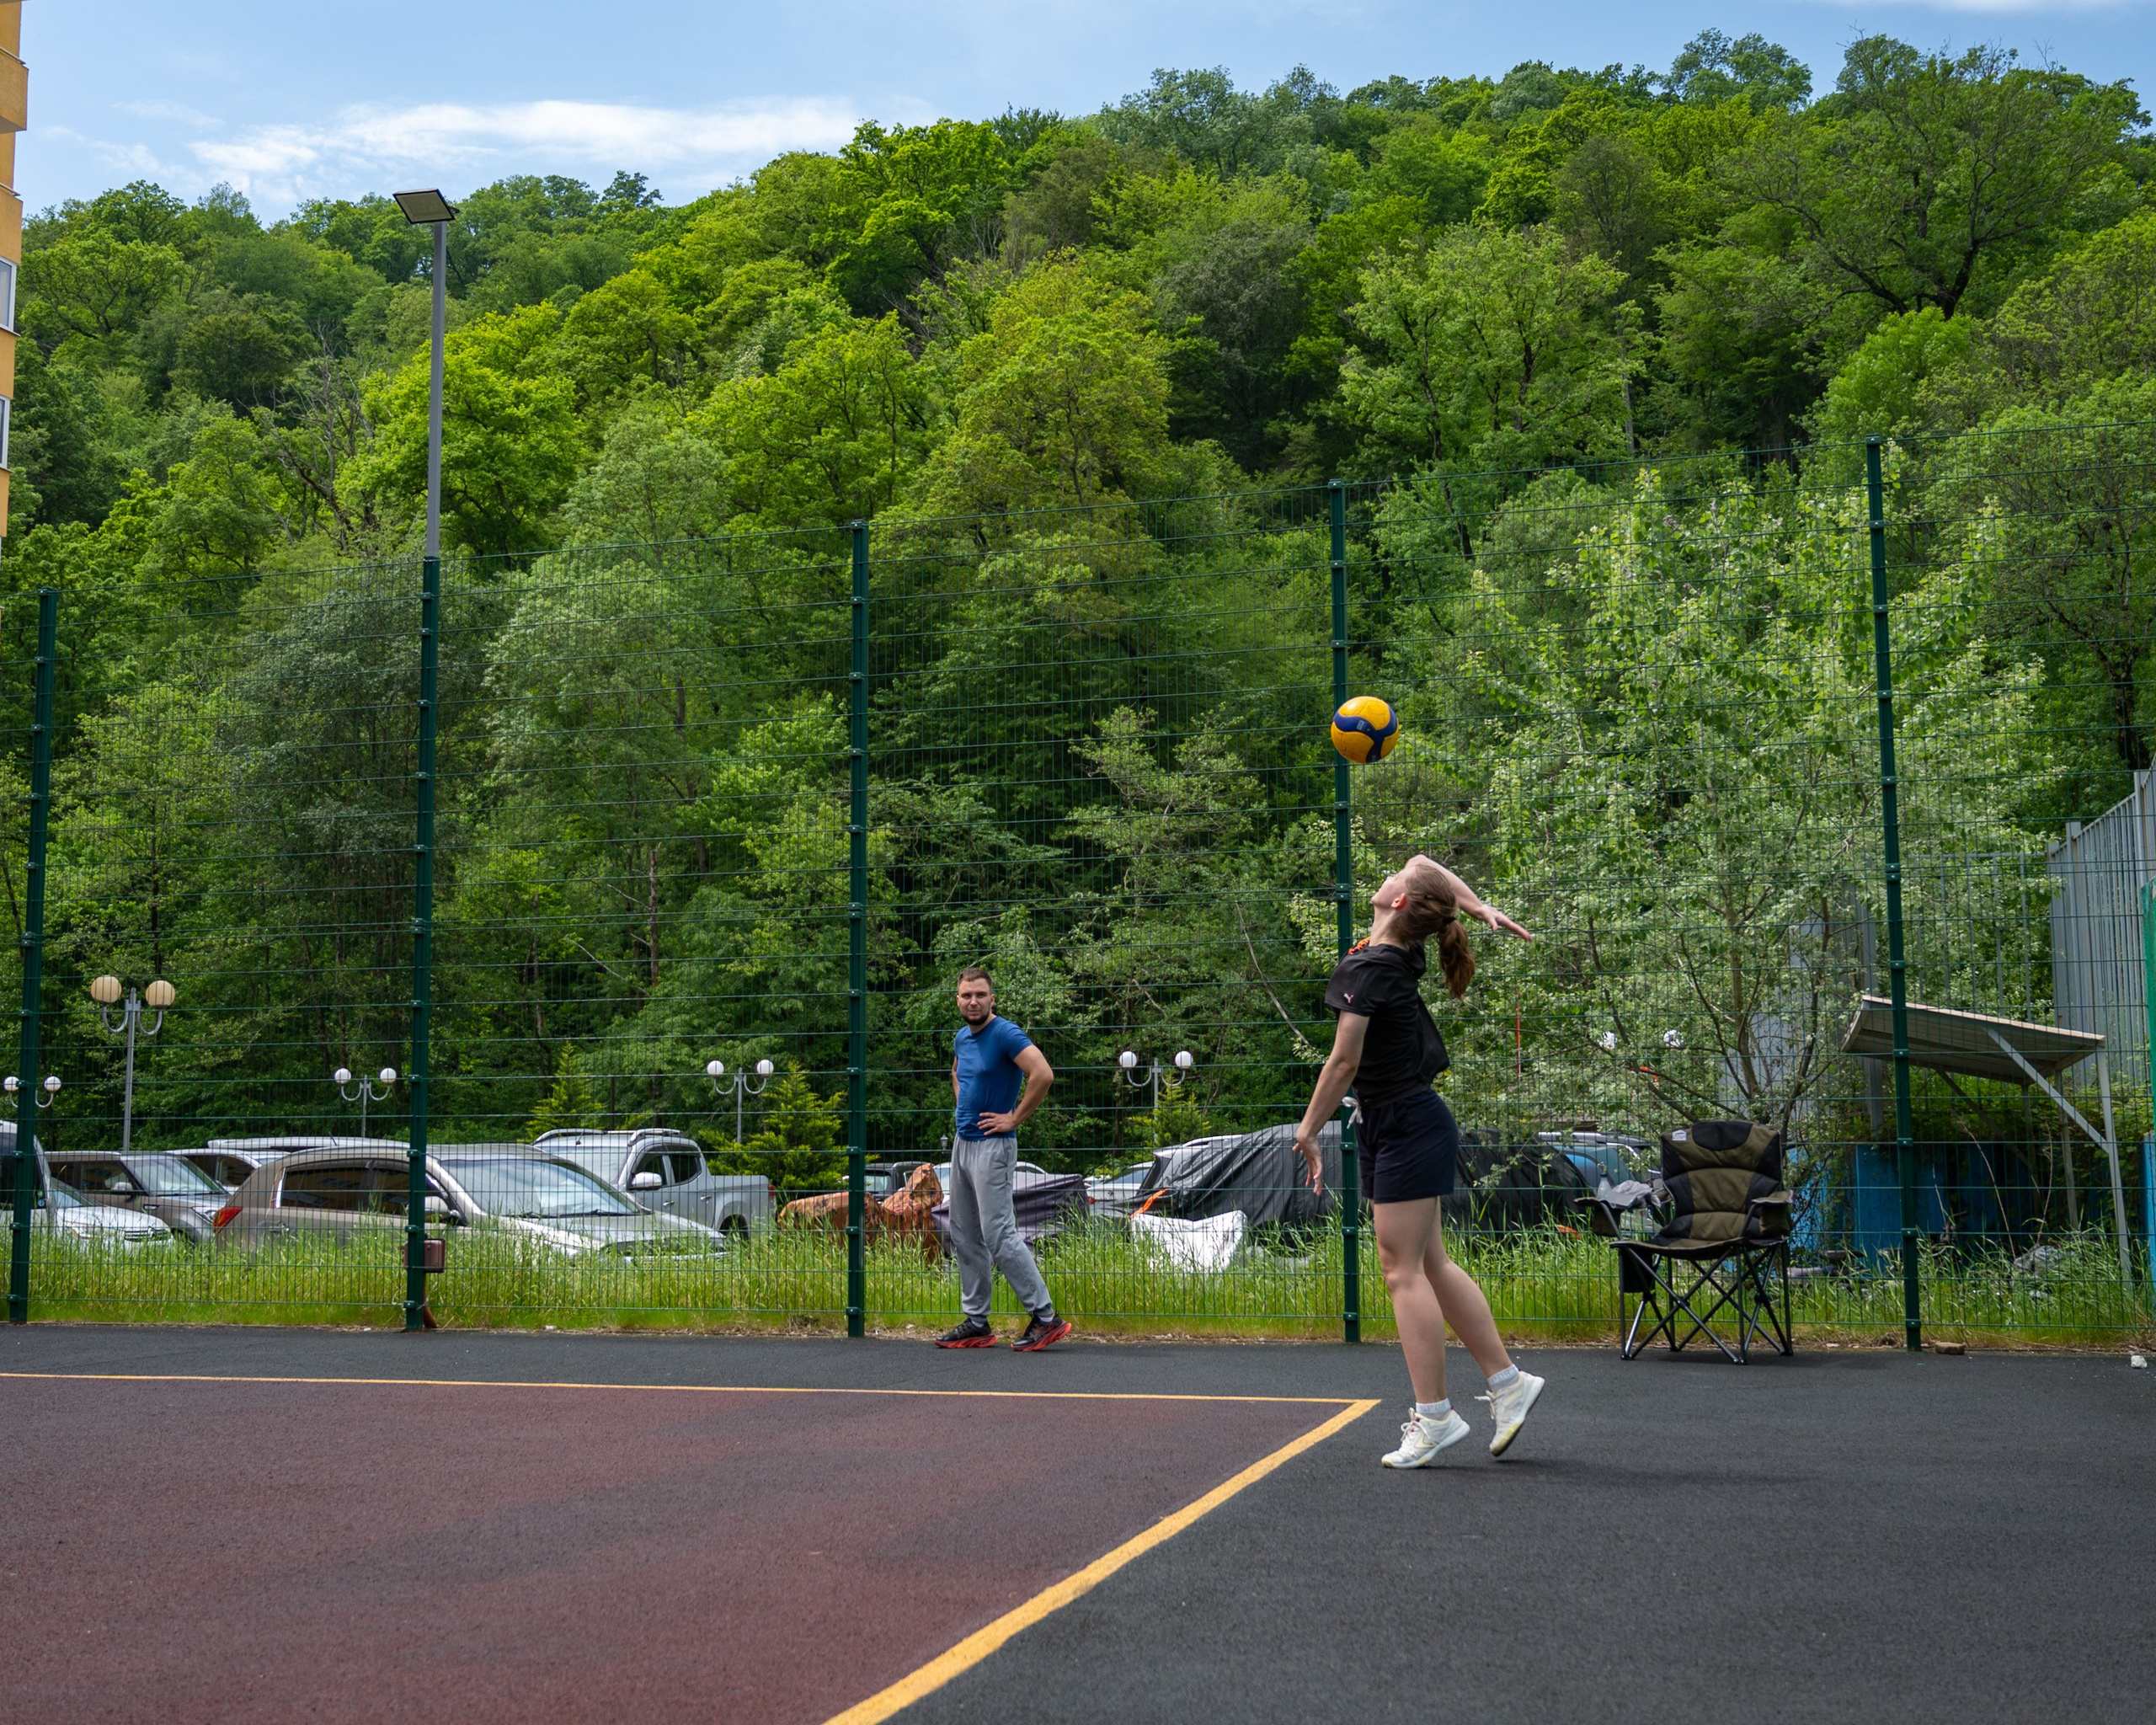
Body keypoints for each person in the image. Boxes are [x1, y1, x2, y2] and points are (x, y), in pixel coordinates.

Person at [1293, 856, 1542, 1466]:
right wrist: (1478, 906)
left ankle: (1434, 1416)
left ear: (1400, 904)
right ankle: (1508, 1385)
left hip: (1405, 1121)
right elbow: (1425, 866)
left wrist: (1307, 1132)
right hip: (1401, 1119)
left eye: (1397, 883)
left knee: (1401, 1270)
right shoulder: (1389, 954)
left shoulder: (1372, 964)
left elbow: (1343, 1063)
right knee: (1426, 1263)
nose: (1392, 876)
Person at [936, 966, 1071, 1351]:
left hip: (994, 1147)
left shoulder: (1005, 1033)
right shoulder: (963, 1037)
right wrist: (964, 1104)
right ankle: (977, 1322)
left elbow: (1042, 1074)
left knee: (998, 1233)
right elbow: (958, 1073)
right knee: (963, 1233)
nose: (973, 1001)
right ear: (957, 1000)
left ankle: (1046, 1318)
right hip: (963, 1145)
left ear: (992, 998)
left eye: (980, 994)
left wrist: (1014, 1117)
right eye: (966, 995)